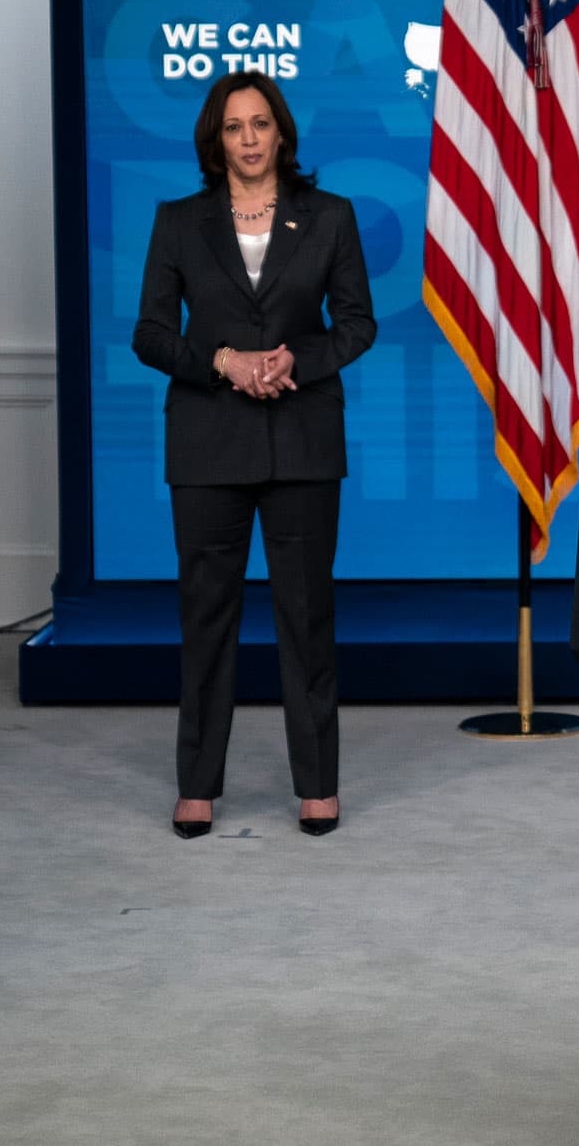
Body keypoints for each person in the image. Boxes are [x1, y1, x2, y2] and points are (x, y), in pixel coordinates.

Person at [131, 71, 376, 839]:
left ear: (281, 133)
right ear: (216, 137)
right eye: (234, 126)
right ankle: (197, 783)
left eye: (260, 123)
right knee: (207, 620)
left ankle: (318, 784)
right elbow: (150, 334)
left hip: (303, 440)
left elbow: (358, 324)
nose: (248, 138)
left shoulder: (330, 216)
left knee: (308, 618)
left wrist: (298, 358)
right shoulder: (179, 221)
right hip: (208, 444)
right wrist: (223, 361)